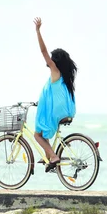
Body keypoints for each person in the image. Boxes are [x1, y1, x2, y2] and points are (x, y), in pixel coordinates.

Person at [32, 17, 77, 172]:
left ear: (55, 62)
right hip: (66, 110)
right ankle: (49, 160)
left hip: (56, 112)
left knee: (37, 135)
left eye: (51, 59)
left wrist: (38, 31)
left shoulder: (55, 71)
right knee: (44, 132)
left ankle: (53, 156)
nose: (49, 60)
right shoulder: (65, 76)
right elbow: (54, 94)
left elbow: (43, 51)